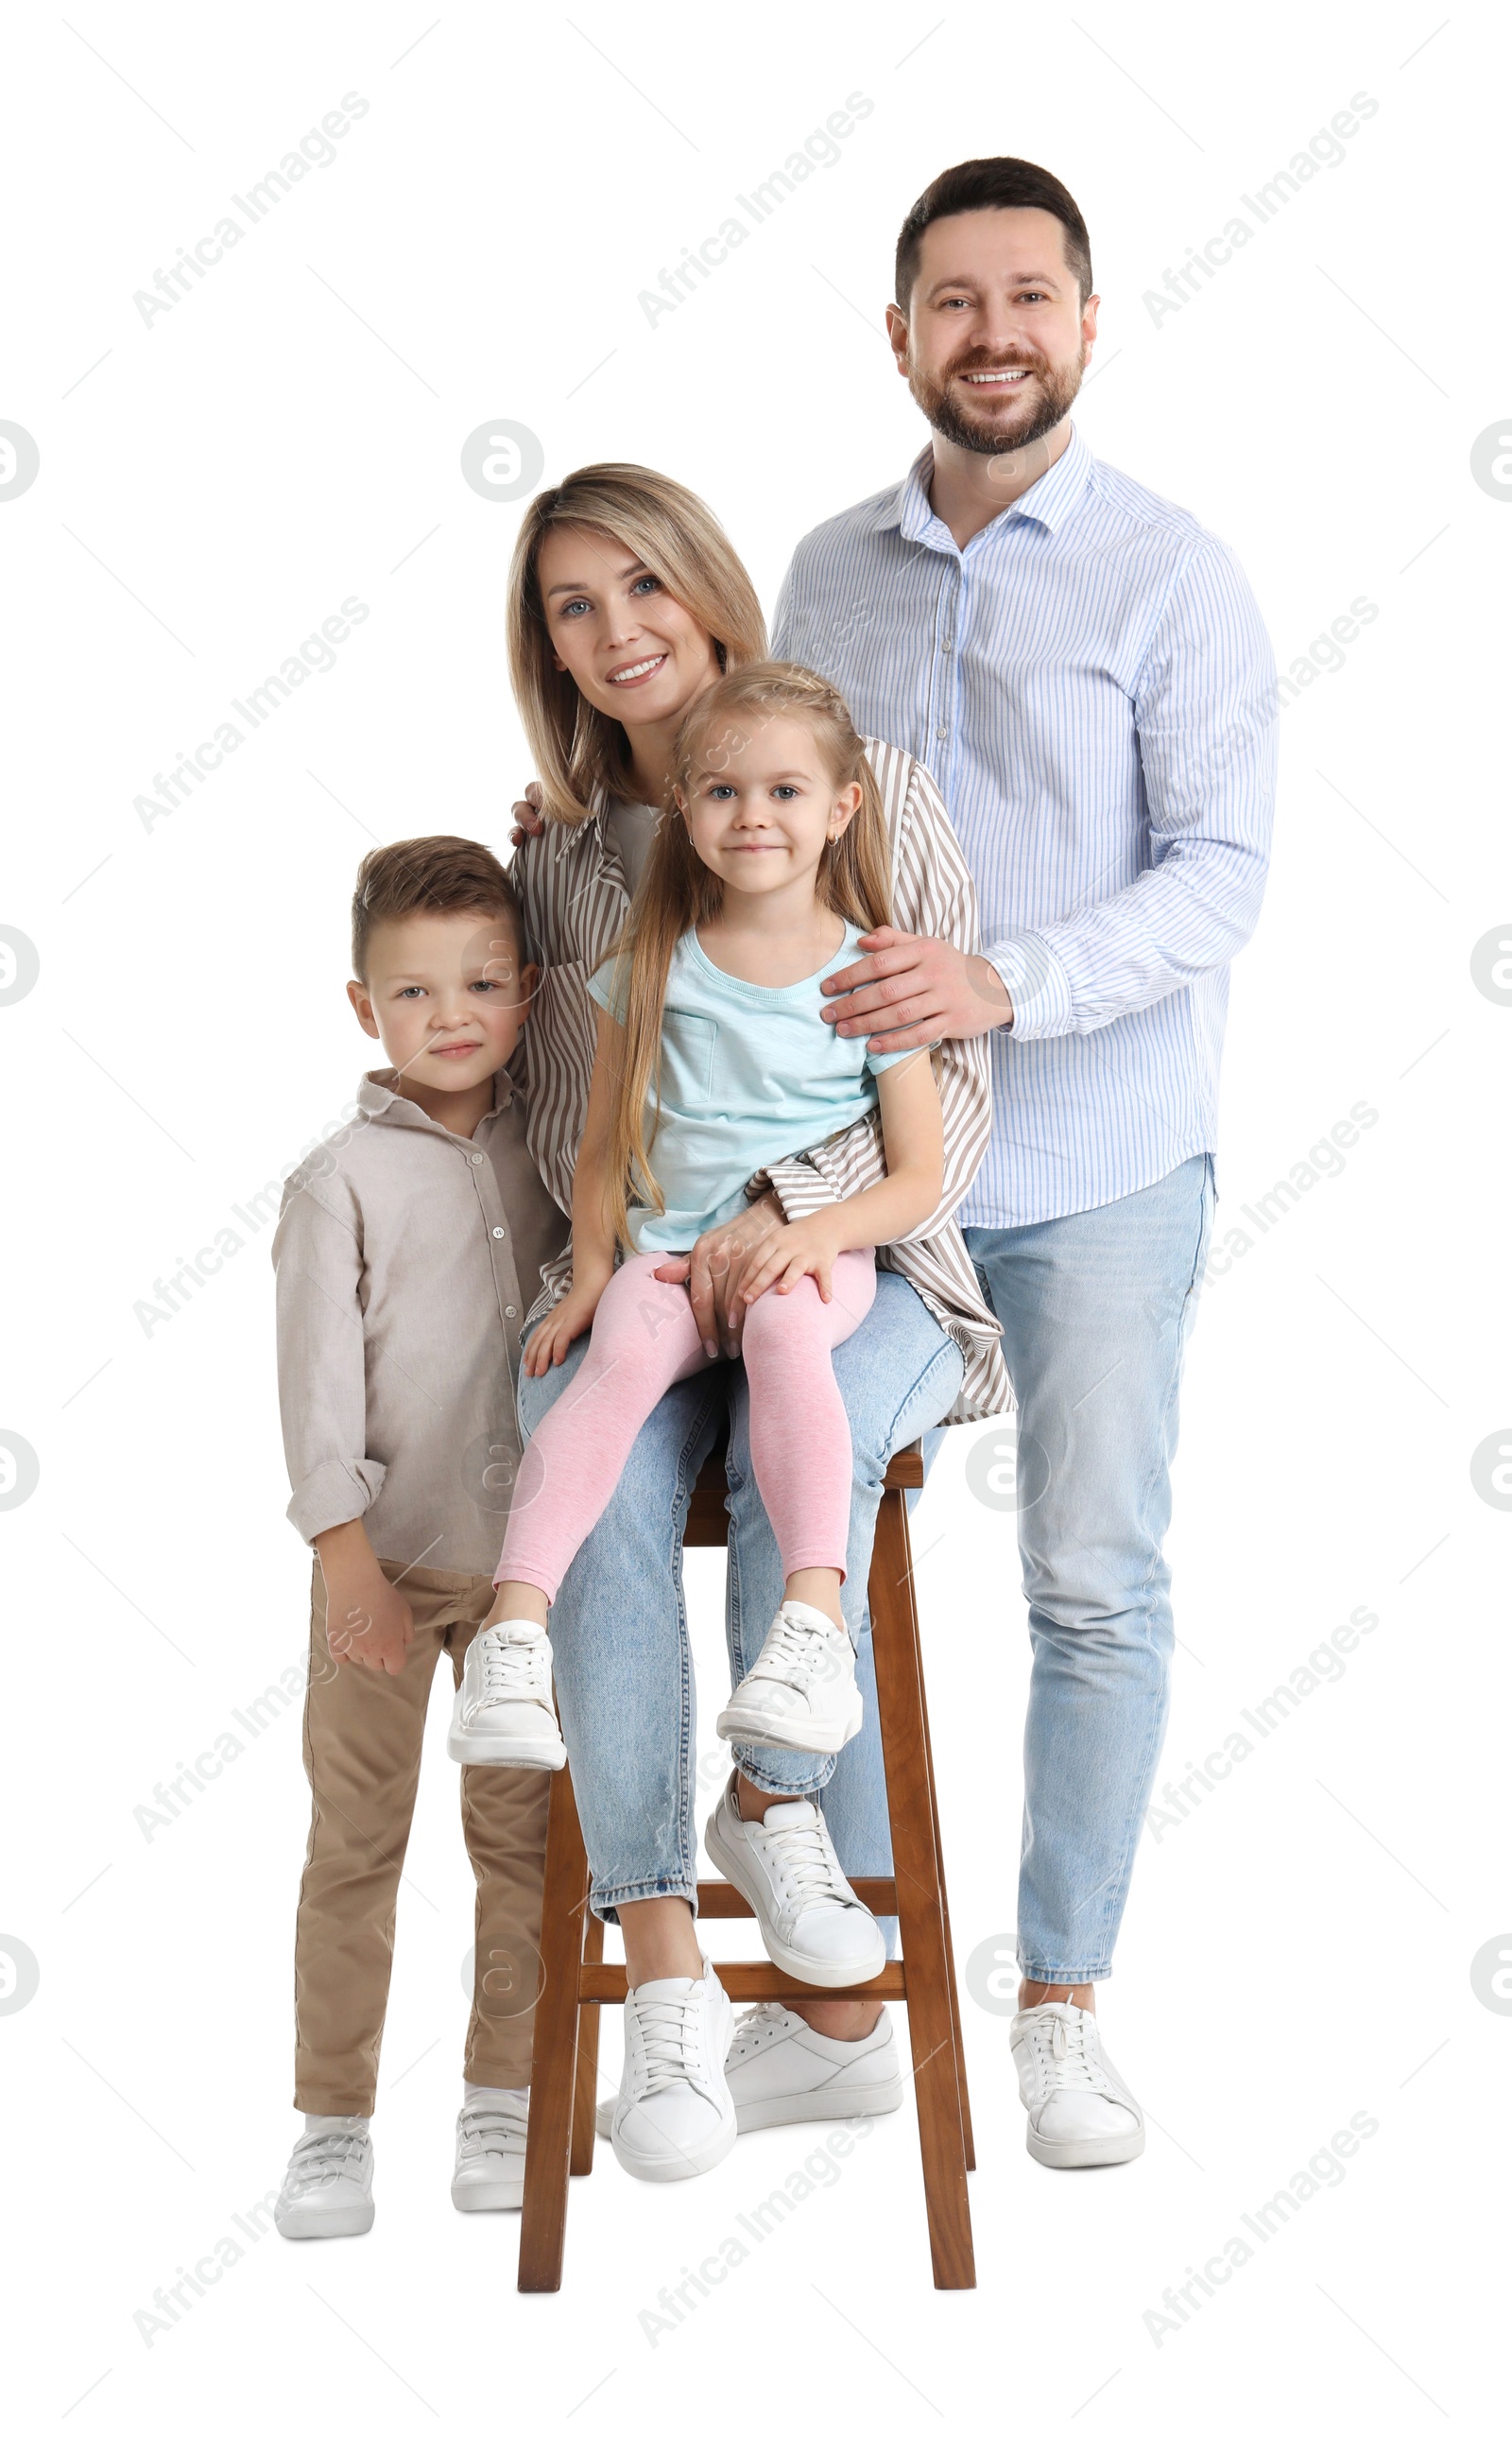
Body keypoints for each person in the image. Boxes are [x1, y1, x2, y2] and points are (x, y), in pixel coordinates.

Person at [773, 155, 1278, 2168]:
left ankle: (1055, 2002)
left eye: (1028, 297)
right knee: (818, 1549)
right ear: (895, 332)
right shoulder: (822, 571)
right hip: (871, 1176)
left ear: (1084, 321)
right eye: (951, 301)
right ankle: (856, 1991)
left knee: (1087, 1578)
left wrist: (1006, 980)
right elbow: (757, 809)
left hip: (1094, 1159)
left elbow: (1220, 877)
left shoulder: (1172, 573)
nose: (991, 334)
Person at [495, 464, 1006, 2179]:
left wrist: (792, 1212)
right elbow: (575, 1112)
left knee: (820, 1413)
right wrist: (614, 1266)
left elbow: (956, 1100)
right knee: (617, 1501)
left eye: (644, 585)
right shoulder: (568, 867)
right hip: (646, 1278)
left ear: (710, 588)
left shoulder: (868, 784)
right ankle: (661, 1981)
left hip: (857, 1271)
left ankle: (776, 1793)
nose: (619, 630)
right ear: (548, 649)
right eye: (574, 606)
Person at [268, 838, 568, 2235]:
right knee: (356, 1845)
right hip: (382, 1566)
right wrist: (345, 1562)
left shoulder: (558, 1145)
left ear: (528, 990)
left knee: (521, 1847)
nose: (453, 1014)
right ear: (362, 1006)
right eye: (415, 991)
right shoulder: (338, 1181)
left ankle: (504, 2095)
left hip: (529, 1581)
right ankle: (332, 2123)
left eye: (484, 983)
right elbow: (316, 1384)